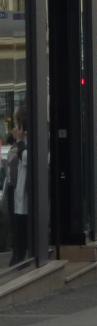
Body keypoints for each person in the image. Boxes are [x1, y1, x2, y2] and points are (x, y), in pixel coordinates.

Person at [6, 112, 28, 267]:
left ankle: (20, 256)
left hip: (23, 196)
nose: (14, 129)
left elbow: (24, 158)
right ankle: (17, 255)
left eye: (16, 126)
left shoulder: (25, 147)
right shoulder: (15, 147)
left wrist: (20, 141)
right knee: (15, 226)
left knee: (21, 228)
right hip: (14, 192)